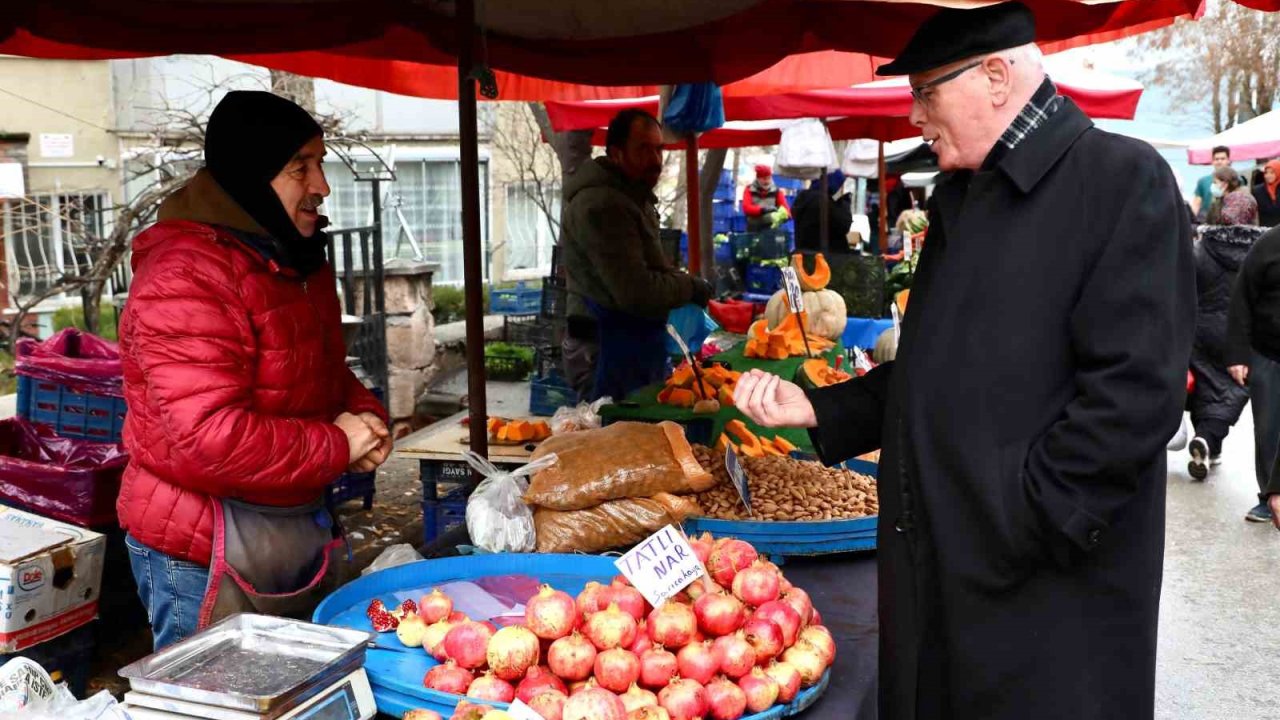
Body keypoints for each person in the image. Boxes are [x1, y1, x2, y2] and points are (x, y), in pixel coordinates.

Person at [731, 4, 1193, 718]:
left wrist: (1019, 517)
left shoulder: (1121, 182)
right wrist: (821, 408)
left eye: (926, 92)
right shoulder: (962, 198)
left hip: (1045, 598)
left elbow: (1135, 397)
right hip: (946, 572)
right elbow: (930, 369)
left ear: (998, 77)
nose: (915, 115)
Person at [118, 91, 392, 650]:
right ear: (250, 175)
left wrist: (363, 413)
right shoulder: (185, 275)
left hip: (286, 527)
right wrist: (336, 445)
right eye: (300, 168)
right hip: (200, 545)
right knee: (214, 706)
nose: (321, 185)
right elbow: (207, 437)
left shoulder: (290, 257)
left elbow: (315, 370)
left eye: (321, 163)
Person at [559, 109, 713, 401]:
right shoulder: (604, 206)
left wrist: (680, 282)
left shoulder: (631, 195)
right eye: (643, 149)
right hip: (605, 349)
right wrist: (689, 287)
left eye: (658, 149)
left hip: (629, 345)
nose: (655, 159)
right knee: (615, 441)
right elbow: (635, 291)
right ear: (617, 153)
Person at [1187, 223, 1263, 480]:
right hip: (1242, 336)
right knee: (1231, 391)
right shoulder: (1263, 252)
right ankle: (1208, 439)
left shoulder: (1201, 249)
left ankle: (1207, 443)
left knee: (1204, 385)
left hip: (1201, 331)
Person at [1226, 225, 1280, 525]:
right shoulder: (1269, 244)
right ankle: (1267, 497)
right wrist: (1236, 354)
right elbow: (1241, 299)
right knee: (1269, 428)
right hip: (1268, 354)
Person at [791, 170, 853, 252]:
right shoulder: (825, 202)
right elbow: (844, 224)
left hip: (804, 253)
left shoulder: (804, 199)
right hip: (828, 257)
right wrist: (844, 199)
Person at [1194, 146, 1237, 221]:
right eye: (1216, 159)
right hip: (1206, 220)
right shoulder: (1203, 181)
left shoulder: (1236, 180)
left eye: (1223, 159)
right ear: (1212, 161)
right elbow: (1196, 204)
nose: (1219, 161)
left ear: (1228, 160)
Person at [741, 164, 790, 232]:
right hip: (753, 228)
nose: (766, 181)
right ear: (758, 178)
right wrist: (763, 210)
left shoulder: (776, 191)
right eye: (764, 179)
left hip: (771, 229)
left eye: (768, 178)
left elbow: (785, 209)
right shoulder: (749, 190)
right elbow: (746, 208)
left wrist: (785, 216)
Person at [1251, 159, 1280, 227]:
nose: (1268, 175)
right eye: (1266, 173)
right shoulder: (1257, 190)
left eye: (1272, 172)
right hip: (1264, 231)